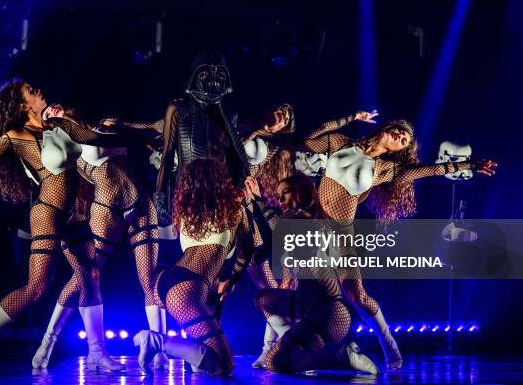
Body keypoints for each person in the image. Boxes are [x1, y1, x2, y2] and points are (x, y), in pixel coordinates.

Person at [0, 79, 123, 371]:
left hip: (73, 213)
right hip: (46, 212)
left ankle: (97, 352)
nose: (40, 91)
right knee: (36, 288)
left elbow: (94, 143)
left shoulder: (56, 126)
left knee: (90, 276)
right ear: (23, 105)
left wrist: (136, 132)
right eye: (32, 92)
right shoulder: (15, 136)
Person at [301, 120, 497, 368]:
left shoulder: (384, 168)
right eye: (400, 131)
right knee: (301, 288)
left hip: (341, 235)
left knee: (356, 293)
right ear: (386, 128)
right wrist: (348, 119)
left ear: (400, 150)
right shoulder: (342, 143)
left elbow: (429, 170)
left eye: (406, 139)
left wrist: (468, 165)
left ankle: (389, 345)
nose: (402, 136)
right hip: (312, 228)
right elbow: (308, 140)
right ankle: (283, 351)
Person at [133, 158, 262, 376]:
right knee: (224, 365)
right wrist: (233, 278)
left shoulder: (187, 215)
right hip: (187, 290)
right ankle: (155, 340)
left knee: (204, 365)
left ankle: (168, 348)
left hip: (168, 283)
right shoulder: (234, 211)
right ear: (221, 182)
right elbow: (252, 248)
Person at [253, 173, 379, 374]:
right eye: (277, 197)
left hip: (328, 313)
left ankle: (340, 357)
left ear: (302, 193)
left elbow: (278, 228)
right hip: (313, 309)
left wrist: (258, 201)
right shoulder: (312, 220)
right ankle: (309, 346)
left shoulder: (299, 218)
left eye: (284, 193)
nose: (280, 201)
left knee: (274, 363)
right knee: (263, 299)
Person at [153, 51, 249, 226]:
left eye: (219, 75)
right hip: (188, 193)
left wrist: (238, 192)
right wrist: (160, 199)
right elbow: (167, 156)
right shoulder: (178, 109)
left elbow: (236, 158)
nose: (213, 81)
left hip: (220, 195)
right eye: (205, 74)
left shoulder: (229, 113)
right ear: (195, 75)